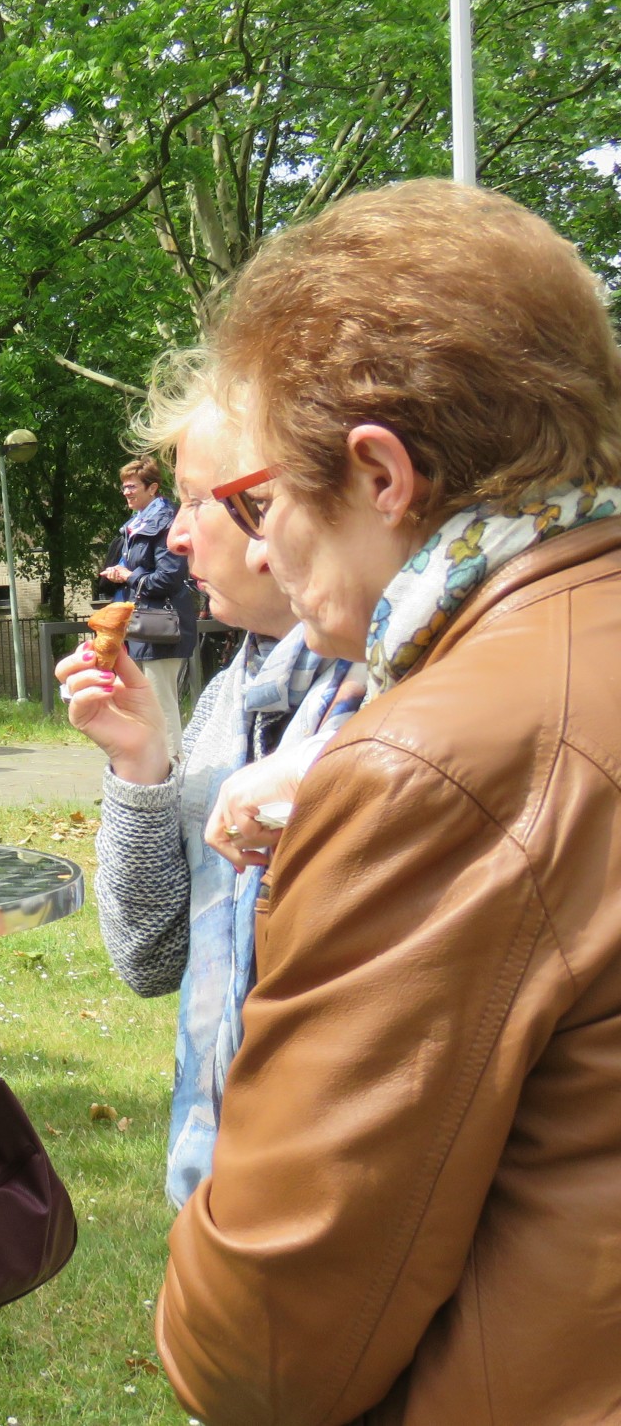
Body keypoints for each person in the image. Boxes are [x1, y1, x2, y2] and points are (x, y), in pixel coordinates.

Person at [155, 179, 621, 1426]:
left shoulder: (432, 763)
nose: (258, 548)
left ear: (377, 474)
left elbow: (256, 1342)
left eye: (256, 501)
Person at [55, 353, 361, 1206]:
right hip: (218, 1198)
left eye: (197, 500)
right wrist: (141, 762)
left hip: (325, 1210)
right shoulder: (234, 693)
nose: (177, 533)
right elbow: (149, 957)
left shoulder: (399, 697)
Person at [98, 457, 197, 760]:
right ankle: (151, 764)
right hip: (139, 629)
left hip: (162, 629)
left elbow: (168, 578)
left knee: (161, 702)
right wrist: (120, 574)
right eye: (123, 488)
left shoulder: (166, 522)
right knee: (141, 701)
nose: (125, 493)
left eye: (131, 487)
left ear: (152, 487)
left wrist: (130, 575)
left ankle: (173, 767)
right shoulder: (135, 525)